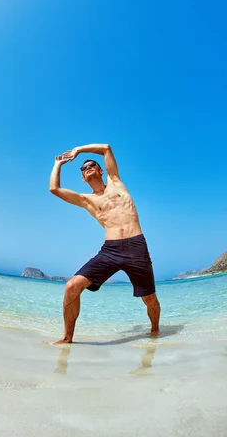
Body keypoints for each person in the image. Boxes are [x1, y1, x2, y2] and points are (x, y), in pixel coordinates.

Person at [49, 143, 160, 344]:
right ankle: (67, 337)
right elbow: (54, 189)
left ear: (101, 170)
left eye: (92, 164)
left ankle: (155, 333)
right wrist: (58, 164)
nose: (87, 167)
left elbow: (106, 148)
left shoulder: (116, 182)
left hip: (136, 247)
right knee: (71, 287)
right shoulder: (85, 200)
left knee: (149, 298)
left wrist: (79, 151)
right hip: (110, 250)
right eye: (83, 168)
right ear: (83, 178)